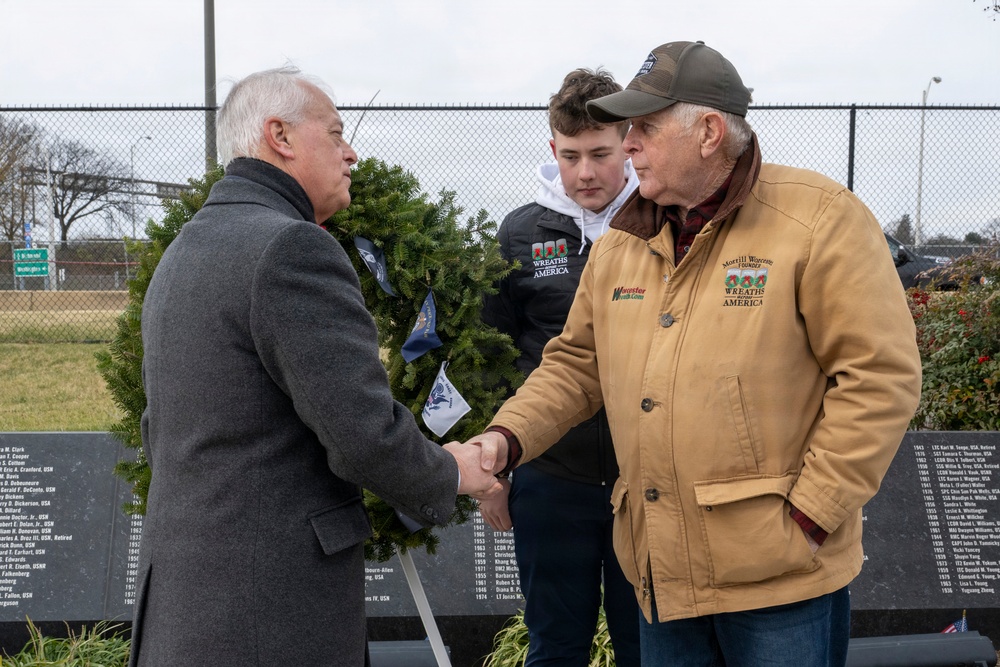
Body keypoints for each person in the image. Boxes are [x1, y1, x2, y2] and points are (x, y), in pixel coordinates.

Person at [467, 41, 921, 666]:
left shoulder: (819, 221)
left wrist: (812, 514)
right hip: (663, 575)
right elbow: (576, 366)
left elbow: (880, 378)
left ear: (708, 132)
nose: (628, 145)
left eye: (644, 129)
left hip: (778, 575)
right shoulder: (623, 243)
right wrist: (506, 438)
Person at [129, 66, 500, 667]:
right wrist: (449, 471)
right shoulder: (290, 248)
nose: (350, 153)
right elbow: (359, 432)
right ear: (280, 136)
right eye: (334, 133)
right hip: (268, 614)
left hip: (186, 606)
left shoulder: (186, 248)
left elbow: (165, 428)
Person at [478, 67, 640, 666]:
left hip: (642, 479)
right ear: (553, 150)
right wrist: (497, 472)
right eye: (571, 156)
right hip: (550, 476)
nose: (587, 172)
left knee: (645, 645)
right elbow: (494, 354)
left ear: (630, 143)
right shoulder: (521, 231)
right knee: (555, 645)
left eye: (601, 153)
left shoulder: (660, 220)